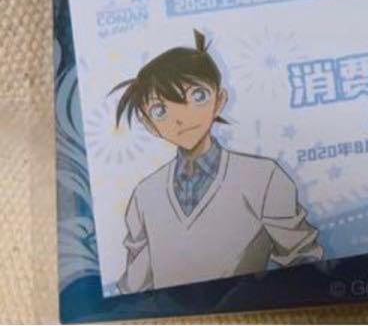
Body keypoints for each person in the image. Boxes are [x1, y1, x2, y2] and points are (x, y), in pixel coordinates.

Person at [111, 31, 323, 292]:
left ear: (219, 100)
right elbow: (136, 285)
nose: (181, 117)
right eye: (160, 110)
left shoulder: (263, 177)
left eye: (197, 97)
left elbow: (302, 259)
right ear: (149, 125)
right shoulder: (145, 195)